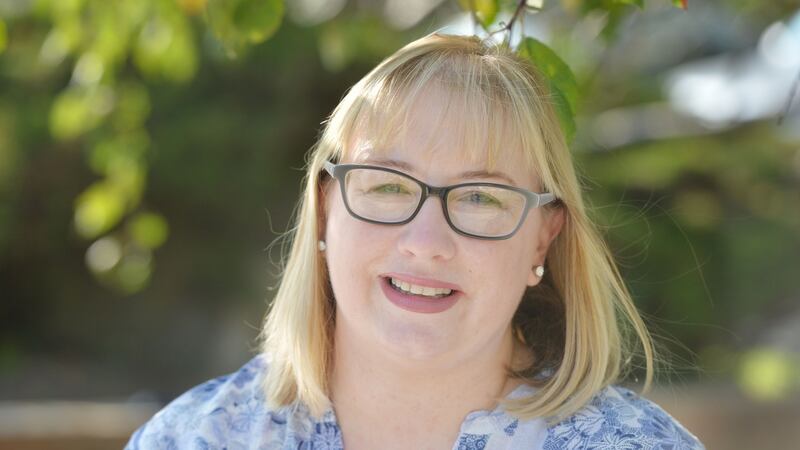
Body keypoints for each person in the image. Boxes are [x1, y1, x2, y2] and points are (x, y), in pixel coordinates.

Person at [125, 33, 706, 449]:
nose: (426, 242)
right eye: (387, 187)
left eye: (481, 197)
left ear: (541, 241)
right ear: (327, 210)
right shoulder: (196, 438)